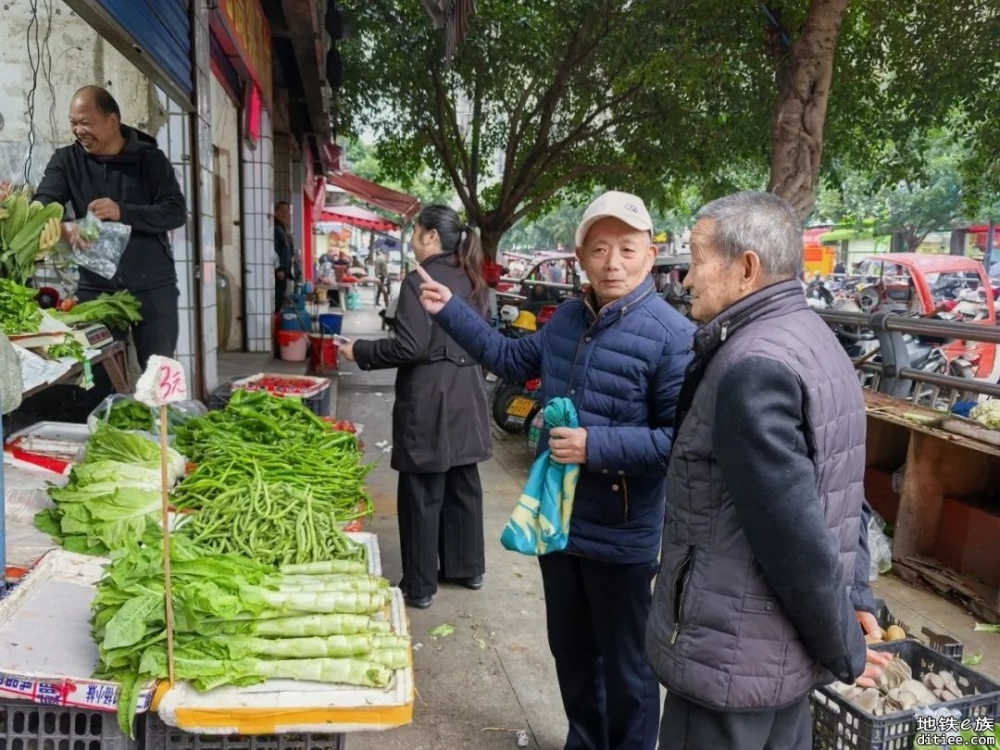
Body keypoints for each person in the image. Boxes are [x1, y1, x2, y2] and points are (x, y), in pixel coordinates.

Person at [415, 191, 695, 750]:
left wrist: (597, 445)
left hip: (622, 533)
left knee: (627, 667)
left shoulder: (673, 337)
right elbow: (509, 360)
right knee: (570, 650)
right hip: (558, 519)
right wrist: (450, 310)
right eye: (599, 249)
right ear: (580, 256)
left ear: (650, 254)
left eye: (627, 249)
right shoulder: (568, 318)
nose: (613, 262)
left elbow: (678, 445)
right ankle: (583, 742)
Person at [644, 191, 890, 750]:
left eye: (698, 257)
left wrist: (845, 650)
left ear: (746, 267)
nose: (684, 278)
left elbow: (793, 534)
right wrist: (852, 600)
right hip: (777, 656)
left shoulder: (751, 365)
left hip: (729, 661)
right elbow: (843, 493)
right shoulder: (816, 341)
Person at [339, 205, 492, 610]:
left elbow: (410, 346)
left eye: (415, 233)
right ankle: (467, 568)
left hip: (430, 397)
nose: (411, 241)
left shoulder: (417, 280)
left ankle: (421, 586)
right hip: (468, 394)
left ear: (429, 236)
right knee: (463, 482)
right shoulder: (474, 278)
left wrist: (361, 350)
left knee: (423, 489)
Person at [35, 85, 186, 369]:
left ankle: (159, 414)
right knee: (100, 373)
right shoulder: (66, 160)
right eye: (73, 123)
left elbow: (175, 211)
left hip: (151, 285)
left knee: (157, 374)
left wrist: (123, 211)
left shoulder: (149, 159)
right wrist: (64, 228)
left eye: (86, 123)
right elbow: (44, 203)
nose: (79, 131)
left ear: (112, 121)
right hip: (96, 289)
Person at [273, 201, 294, 312]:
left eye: (287, 211)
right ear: (276, 212)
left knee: (280, 298)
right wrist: (278, 269)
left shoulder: (282, 229)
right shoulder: (276, 229)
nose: (285, 214)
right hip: (279, 272)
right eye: (282, 211)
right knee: (277, 299)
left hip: (284, 270)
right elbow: (273, 250)